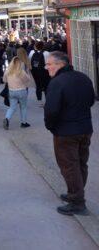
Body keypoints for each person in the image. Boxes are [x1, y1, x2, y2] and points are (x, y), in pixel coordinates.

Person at [44, 52, 94, 216]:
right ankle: (75, 193)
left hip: (66, 133)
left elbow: (51, 110)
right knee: (80, 163)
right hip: (85, 128)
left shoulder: (57, 82)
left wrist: (50, 126)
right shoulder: (83, 77)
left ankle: (77, 201)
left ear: (60, 64)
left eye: (49, 64)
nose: (47, 67)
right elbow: (91, 100)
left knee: (70, 166)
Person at [2, 57, 35, 130]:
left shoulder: (8, 71)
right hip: (21, 91)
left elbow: (4, 80)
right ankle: (23, 123)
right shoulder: (21, 71)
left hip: (11, 91)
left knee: (12, 107)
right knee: (23, 107)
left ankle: (7, 118)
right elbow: (27, 79)